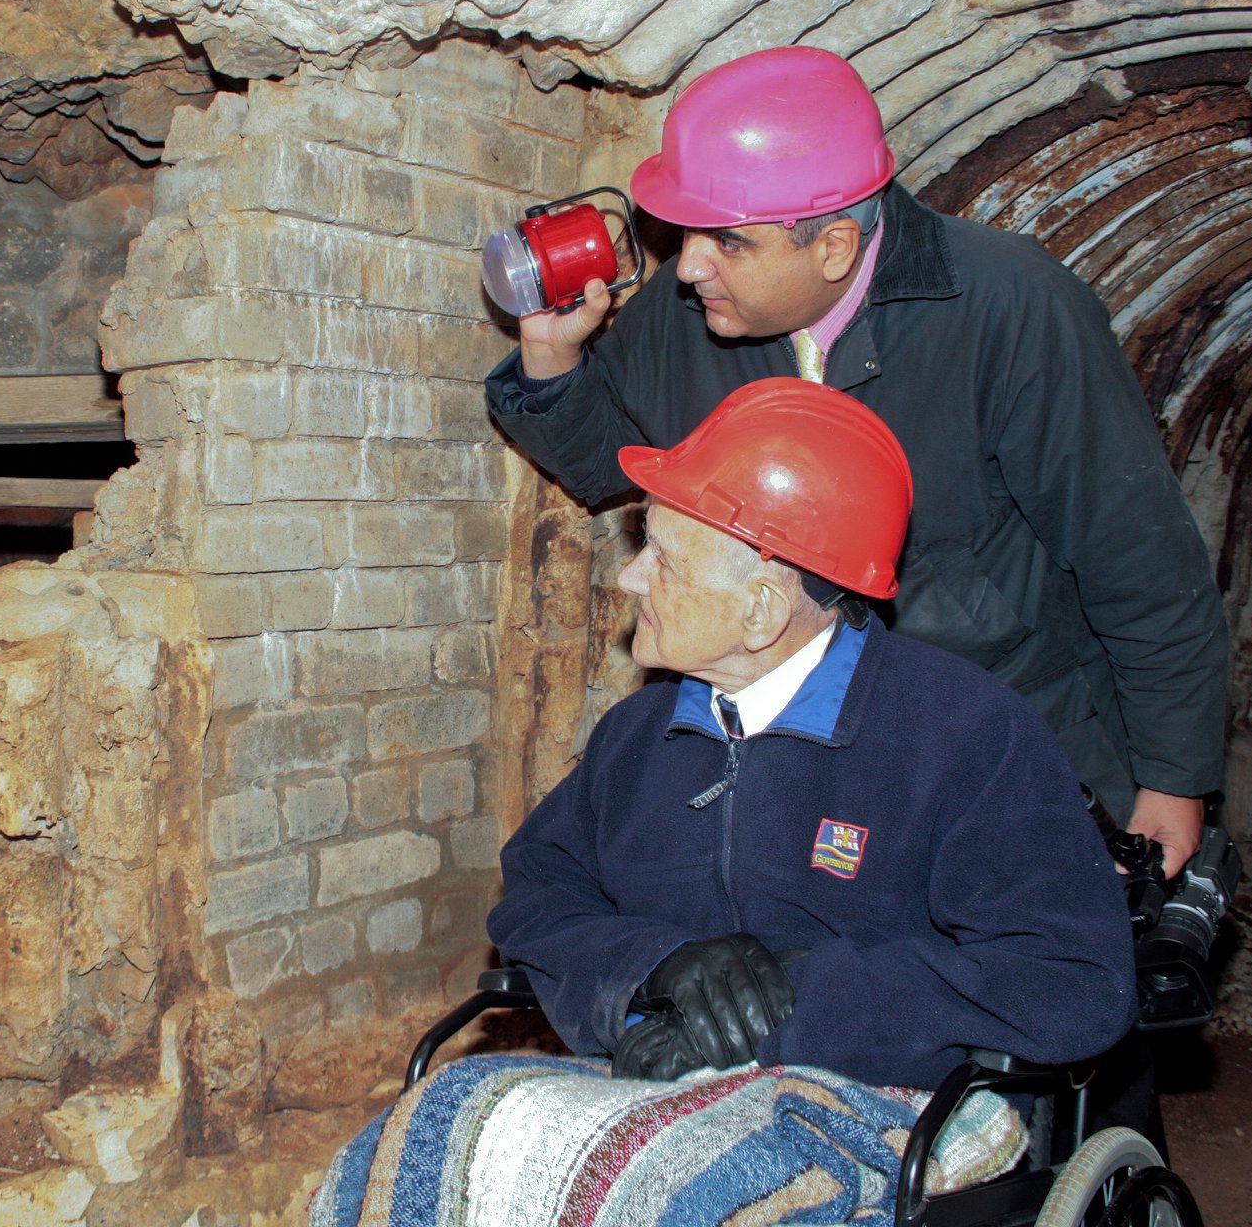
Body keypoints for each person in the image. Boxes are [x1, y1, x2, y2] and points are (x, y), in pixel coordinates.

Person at [484, 45, 1227, 884]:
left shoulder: (1008, 308)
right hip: (794, 744)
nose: (689, 264)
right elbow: (607, 462)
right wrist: (551, 362)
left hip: (997, 730)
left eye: (726, 240)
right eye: (689, 233)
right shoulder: (686, 312)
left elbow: (1136, 554)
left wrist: (1173, 778)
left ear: (835, 245)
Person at [485, 378, 1137, 1088]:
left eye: (662, 558)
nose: (633, 577)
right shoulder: (638, 736)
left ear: (761, 612)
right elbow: (538, 893)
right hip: (653, 1085)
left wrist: (788, 1009)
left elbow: (1072, 981)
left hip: (875, 1095)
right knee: (436, 1125)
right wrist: (654, 968)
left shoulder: (967, 737)